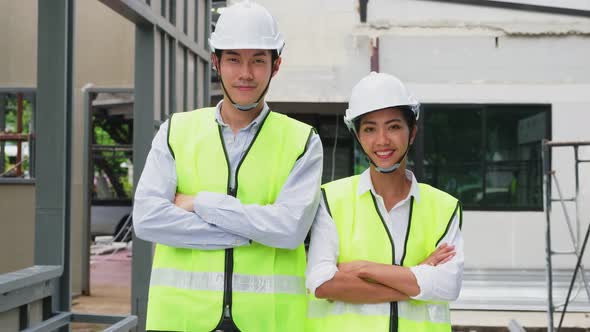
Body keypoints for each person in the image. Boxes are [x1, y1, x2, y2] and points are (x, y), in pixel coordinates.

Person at [132, 1, 323, 331]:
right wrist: (255, 230)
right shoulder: (175, 131)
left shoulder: (302, 141)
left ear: (275, 65)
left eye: (258, 61)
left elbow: (291, 230)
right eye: (234, 59)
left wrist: (201, 203)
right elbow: (148, 220)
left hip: (269, 321)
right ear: (216, 62)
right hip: (182, 320)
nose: (245, 73)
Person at [306, 72, 463, 332]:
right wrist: (417, 274)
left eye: (393, 127)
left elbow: (448, 285)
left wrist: (363, 268)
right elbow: (322, 284)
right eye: (369, 129)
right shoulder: (331, 200)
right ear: (357, 135)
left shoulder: (444, 207)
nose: (382, 140)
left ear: (412, 133)